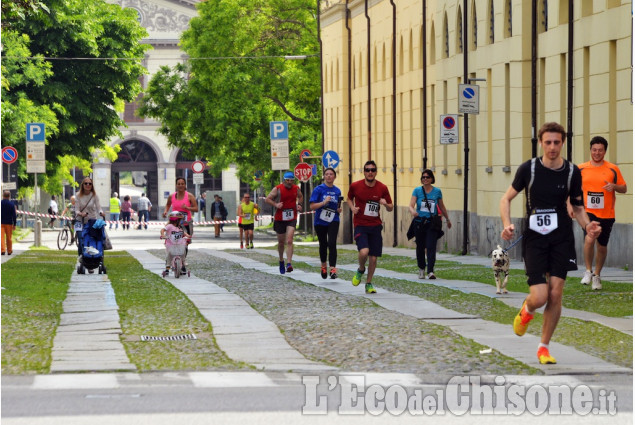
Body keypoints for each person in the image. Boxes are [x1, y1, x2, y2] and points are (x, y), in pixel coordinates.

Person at [500, 122, 601, 365]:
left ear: (563, 143)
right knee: (540, 296)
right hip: (535, 239)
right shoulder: (529, 169)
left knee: (556, 294)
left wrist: (588, 226)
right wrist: (507, 224)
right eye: (548, 142)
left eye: (557, 142)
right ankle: (527, 310)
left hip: (561, 238)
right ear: (541, 143)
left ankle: (543, 347)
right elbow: (506, 198)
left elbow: (577, 206)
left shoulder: (571, 172)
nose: (553, 147)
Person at [576, 136, 627, 291]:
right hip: (588, 212)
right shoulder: (581, 168)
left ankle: (597, 275)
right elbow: (572, 190)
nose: (597, 153)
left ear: (605, 151)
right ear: (590, 150)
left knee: (602, 246)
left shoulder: (612, 168)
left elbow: (624, 189)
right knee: (589, 237)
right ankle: (587, 271)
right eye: (594, 150)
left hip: (606, 213)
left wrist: (614, 186)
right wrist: (571, 206)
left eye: (600, 150)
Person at [347, 160, 393, 294]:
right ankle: (361, 269)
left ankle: (368, 283)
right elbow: (349, 198)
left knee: (373, 257)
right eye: (367, 170)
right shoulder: (355, 186)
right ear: (364, 172)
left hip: (375, 225)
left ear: (376, 172)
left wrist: (385, 204)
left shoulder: (382, 188)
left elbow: (391, 207)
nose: (370, 172)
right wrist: (352, 207)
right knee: (364, 252)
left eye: (373, 170)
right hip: (360, 224)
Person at [408, 169, 452, 279]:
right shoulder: (417, 191)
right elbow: (411, 205)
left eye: (427, 177)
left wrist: (447, 219)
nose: (425, 179)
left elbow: (442, 206)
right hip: (419, 223)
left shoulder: (437, 192)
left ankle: (431, 271)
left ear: (432, 179)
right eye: (423, 177)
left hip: (432, 223)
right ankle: (421, 268)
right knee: (420, 247)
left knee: (431, 246)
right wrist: (413, 211)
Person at [265, 171, 303, 274]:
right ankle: (281, 260)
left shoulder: (296, 188)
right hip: (279, 218)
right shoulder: (278, 189)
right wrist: (276, 205)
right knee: (281, 242)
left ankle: (289, 263)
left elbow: (300, 196)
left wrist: (299, 205)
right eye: (288, 180)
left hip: (292, 217)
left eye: (291, 180)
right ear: (284, 180)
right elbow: (267, 199)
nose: (290, 182)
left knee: (289, 240)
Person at [309, 167, 343, 279]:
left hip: (333, 219)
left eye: (331, 174)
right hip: (320, 221)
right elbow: (312, 206)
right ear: (324, 176)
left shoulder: (337, 191)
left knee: (332, 243)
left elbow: (337, 205)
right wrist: (323, 202)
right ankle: (323, 266)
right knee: (323, 244)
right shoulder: (319, 189)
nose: (329, 176)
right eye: (327, 174)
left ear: (334, 177)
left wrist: (338, 209)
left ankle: (333, 269)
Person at [75, 177, 105, 257]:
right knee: (81, 240)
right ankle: (81, 257)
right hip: (80, 221)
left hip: (92, 221)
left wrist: (101, 213)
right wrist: (81, 214)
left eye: (90, 183)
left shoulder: (94, 195)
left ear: (92, 185)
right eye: (86, 183)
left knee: (92, 240)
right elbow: (76, 210)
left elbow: (99, 208)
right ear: (83, 185)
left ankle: (92, 257)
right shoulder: (78, 195)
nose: (88, 185)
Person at [163, 177, 198, 241]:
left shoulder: (190, 196)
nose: (180, 185)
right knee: (171, 240)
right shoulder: (171, 196)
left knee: (186, 240)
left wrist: (187, 208)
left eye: (182, 184)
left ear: (185, 185)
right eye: (178, 184)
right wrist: (165, 211)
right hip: (174, 223)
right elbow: (168, 204)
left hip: (186, 222)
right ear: (176, 185)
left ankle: (184, 249)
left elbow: (196, 209)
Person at [1, 190, 17, 255]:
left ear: (3, 196)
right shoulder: (11, 204)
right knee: (9, 237)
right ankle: (9, 250)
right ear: (9, 196)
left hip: (1, 223)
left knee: (1, 237)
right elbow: (14, 215)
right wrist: (14, 224)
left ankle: (2, 250)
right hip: (9, 223)